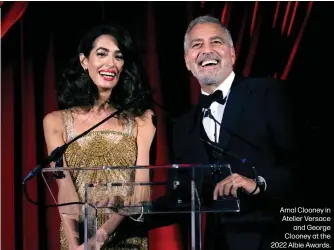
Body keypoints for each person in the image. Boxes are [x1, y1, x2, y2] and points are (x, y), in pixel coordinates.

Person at [144, 15, 297, 250]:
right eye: (197, 45)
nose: (207, 51)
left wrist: (258, 183)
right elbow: (182, 198)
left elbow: (304, 167)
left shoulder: (269, 93)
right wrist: (130, 214)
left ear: (233, 54)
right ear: (187, 61)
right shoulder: (183, 125)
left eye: (216, 42)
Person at [43, 24, 156, 250]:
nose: (110, 64)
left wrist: (101, 237)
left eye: (118, 56)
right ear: (85, 61)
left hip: (127, 238)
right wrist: (77, 245)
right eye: (102, 54)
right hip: (79, 237)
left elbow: (140, 192)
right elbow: (65, 191)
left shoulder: (142, 120)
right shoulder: (55, 121)